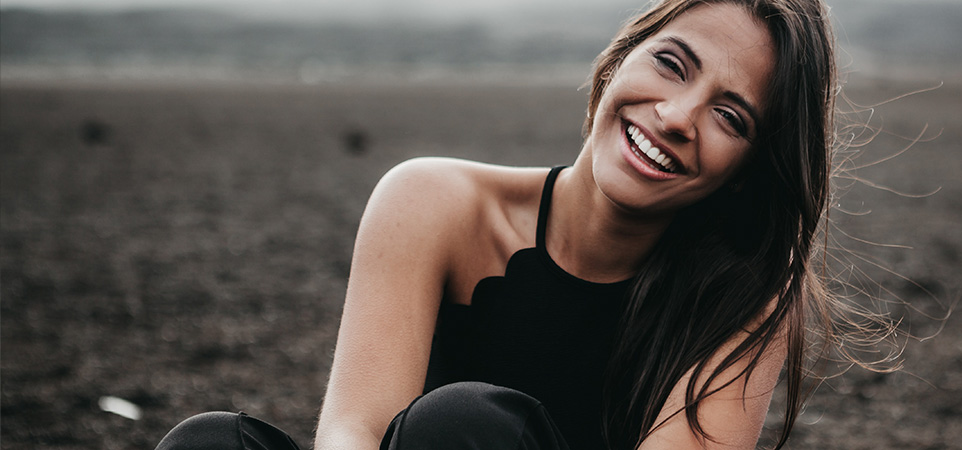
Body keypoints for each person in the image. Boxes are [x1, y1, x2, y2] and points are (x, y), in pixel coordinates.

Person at [158, 0, 854, 448]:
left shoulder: (748, 296)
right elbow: (352, 432)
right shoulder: (429, 202)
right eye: (672, 64)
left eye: (730, 116)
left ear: (749, 168)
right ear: (617, 62)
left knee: (464, 428)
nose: (676, 116)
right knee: (209, 445)